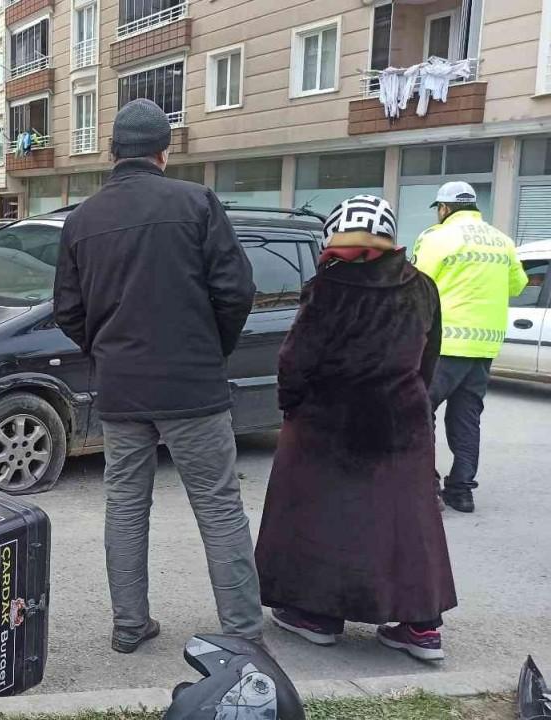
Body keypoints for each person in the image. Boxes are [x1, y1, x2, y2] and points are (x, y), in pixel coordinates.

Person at [54, 98, 262, 653]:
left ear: (112, 152)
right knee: (219, 508)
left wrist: (107, 351)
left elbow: (68, 310)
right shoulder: (197, 203)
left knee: (125, 508)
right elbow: (236, 290)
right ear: (164, 153)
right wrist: (211, 349)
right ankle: (242, 635)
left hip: (122, 390)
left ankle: (129, 625)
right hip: (193, 387)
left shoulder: (81, 220)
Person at [254, 195, 457, 662]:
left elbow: (296, 359)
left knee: (321, 519)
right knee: (408, 523)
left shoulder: (328, 287)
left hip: (328, 427)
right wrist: (412, 404)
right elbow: (429, 357)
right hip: (401, 424)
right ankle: (421, 627)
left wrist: (291, 405)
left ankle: (318, 616)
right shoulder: (423, 287)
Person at [412, 182, 528, 513]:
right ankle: (462, 491)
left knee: (420, 411)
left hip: (445, 344)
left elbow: (416, 283)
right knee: (467, 417)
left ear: (444, 208)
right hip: (483, 348)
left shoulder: (436, 237)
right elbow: (518, 285)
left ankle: (427, 486)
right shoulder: (502, 241)